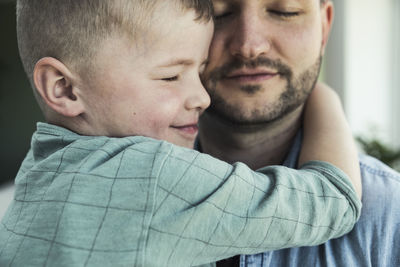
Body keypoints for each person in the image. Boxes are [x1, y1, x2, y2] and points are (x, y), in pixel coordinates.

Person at [0, 0, 362, 266]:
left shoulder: (35, 181)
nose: (202, 97)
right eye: (170, 76)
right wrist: (323, 96)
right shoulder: (150, 174)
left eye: (199, 70)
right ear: (63, 88)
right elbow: (333, 200)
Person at [198, 0, 400, 266]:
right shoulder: (126, 183)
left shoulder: (391, 217)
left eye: (285, 11)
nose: (249, 47)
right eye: (218, 14)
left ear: (325, 27)